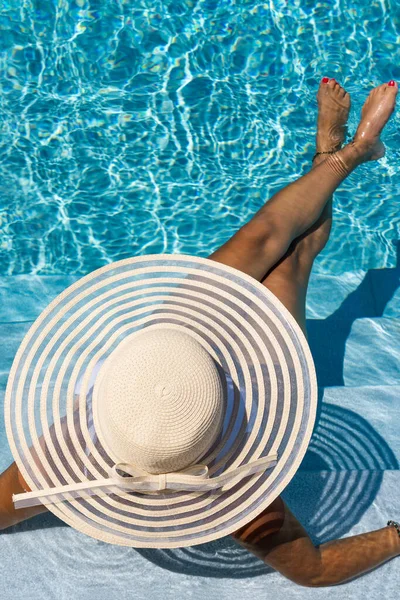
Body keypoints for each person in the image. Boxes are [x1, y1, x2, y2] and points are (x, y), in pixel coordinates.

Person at [1, 77, 399, 588]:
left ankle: (344, 156)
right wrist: (395, 535)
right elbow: (314, 569)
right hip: (252, 372)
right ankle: (336, 157)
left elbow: (315, 573)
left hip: (172, 350)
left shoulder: (61, 462)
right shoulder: (238, 498)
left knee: (263, 236)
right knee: (292, 257)